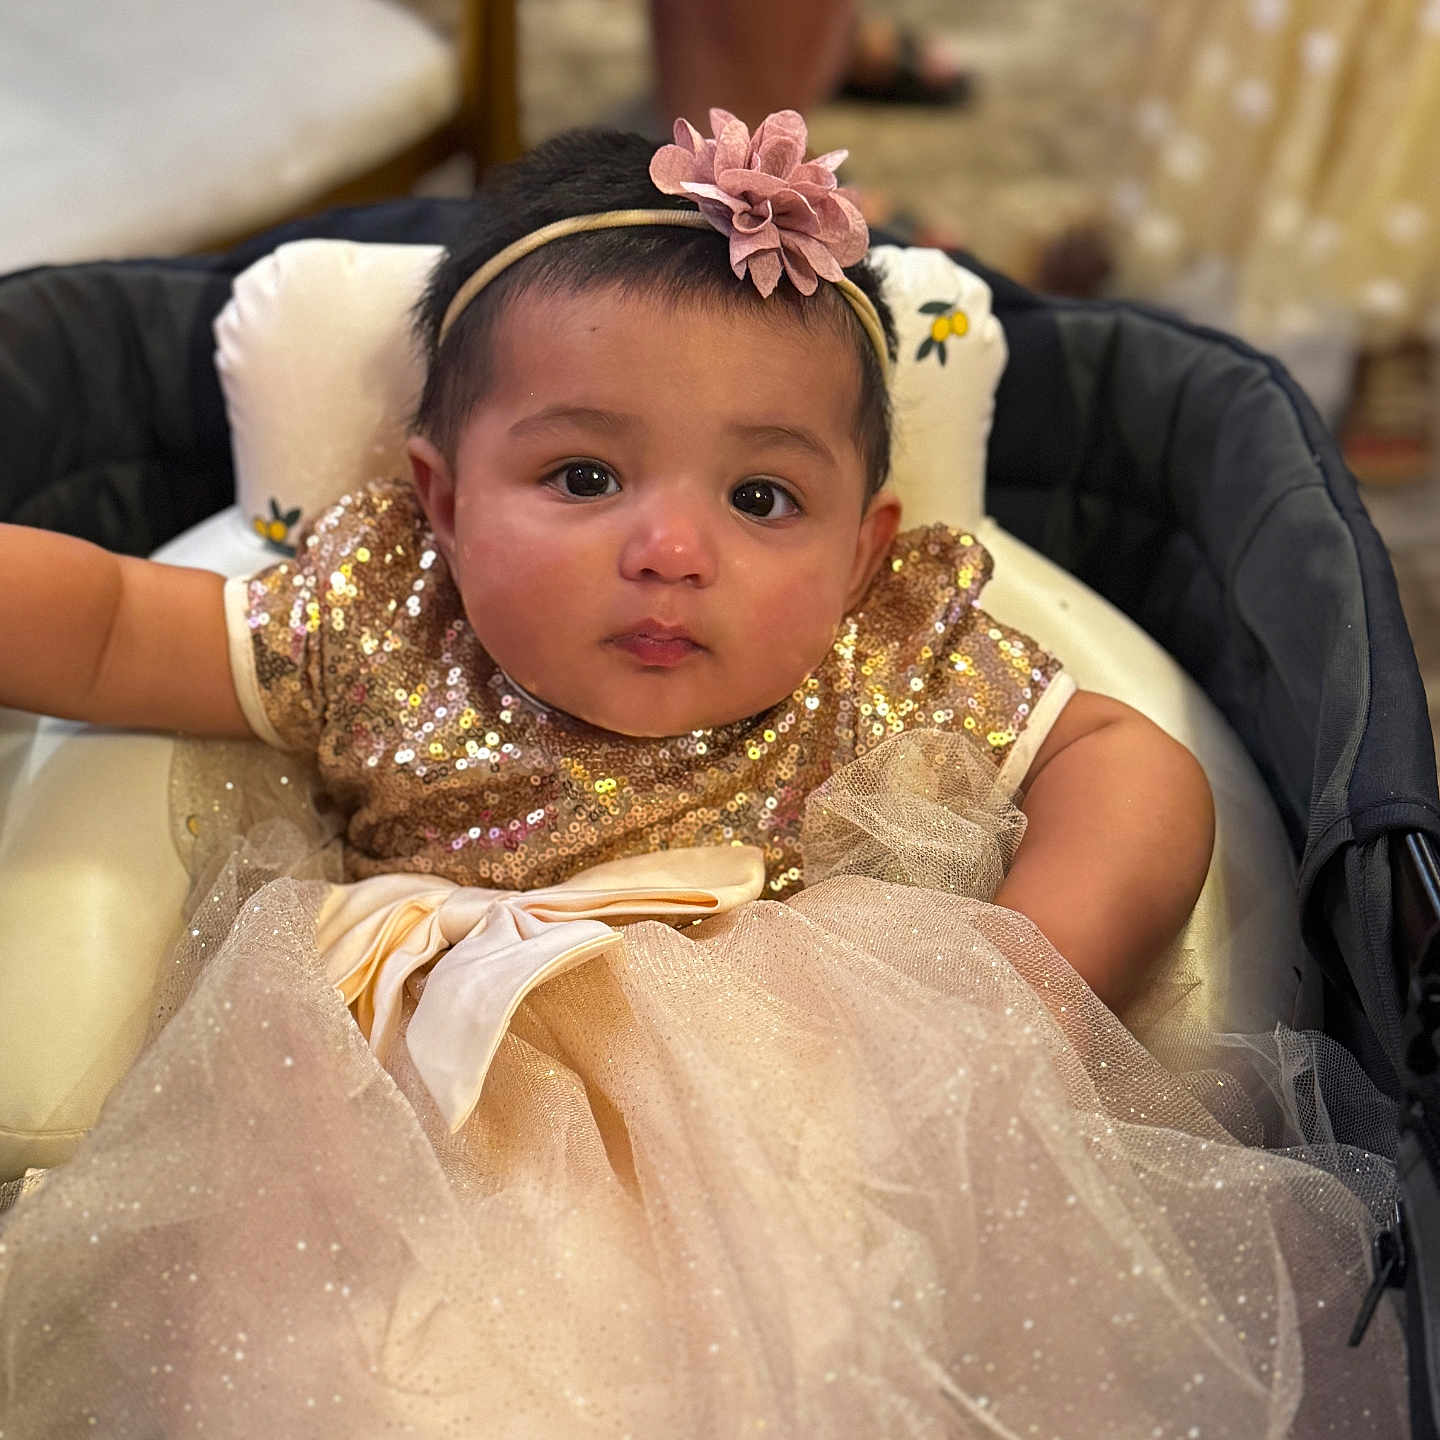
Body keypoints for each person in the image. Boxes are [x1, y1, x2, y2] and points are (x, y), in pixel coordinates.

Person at [0, 111, 1408, 1437]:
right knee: (334, 1363)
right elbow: (120, 626)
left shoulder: (880, 657)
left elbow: (1130, 760)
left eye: (761, 499)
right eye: (583, 477)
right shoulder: (380, 621)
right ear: (442, 501)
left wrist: (1020, 978)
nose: (671, 549)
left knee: (865, 1356)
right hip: (420, 1142)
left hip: (791, 1129)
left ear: (861, 552)